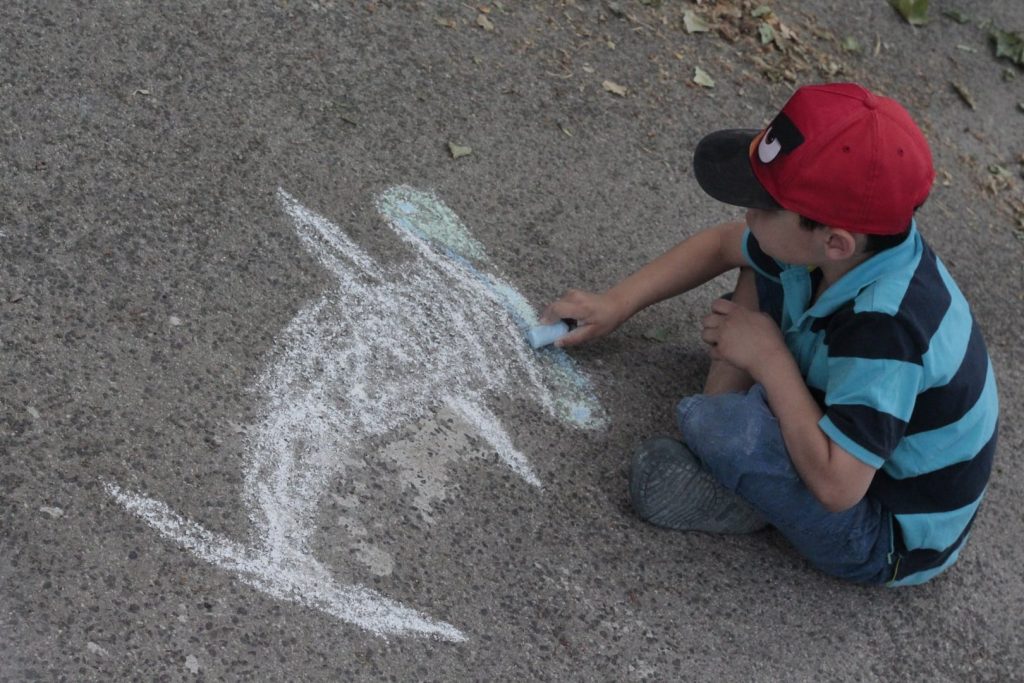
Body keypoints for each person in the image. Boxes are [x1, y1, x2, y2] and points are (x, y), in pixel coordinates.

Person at [541, 82, 998, 586]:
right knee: (764, 264)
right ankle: (732, 445)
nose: (746, 213)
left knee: (726, 430)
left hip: (879, 530)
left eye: (763, 205)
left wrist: (769, 359)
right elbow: (721, 245)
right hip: (848, 433)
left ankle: (734, 491)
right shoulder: (854, 247)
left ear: (836, 242)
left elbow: (838, 488)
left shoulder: (886, 331)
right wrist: (616, 304)